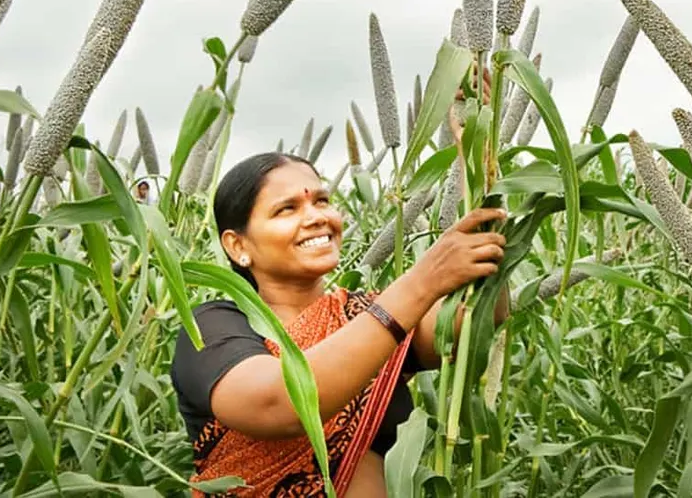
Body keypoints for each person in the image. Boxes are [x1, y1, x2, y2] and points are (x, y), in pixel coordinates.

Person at [169, 151, 509, 496]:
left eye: (322, 201)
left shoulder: (368, 316)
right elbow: (278, 404)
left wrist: (477, 158)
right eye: (287, 209)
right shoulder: (210, 328)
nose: (316, 216)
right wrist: (421, 282)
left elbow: (479, 315)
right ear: (238, 245)